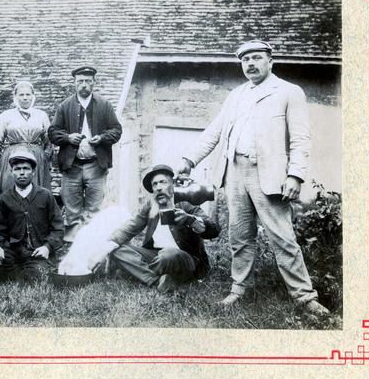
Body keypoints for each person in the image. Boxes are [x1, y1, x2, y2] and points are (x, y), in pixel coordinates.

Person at [179, 40, 329, 317]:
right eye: (245, 59)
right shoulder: (236, 95)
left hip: (269, 175)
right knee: (240, 234)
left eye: (256, 57)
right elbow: (214, 131)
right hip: (234, 171)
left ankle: (304, 297)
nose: (250, 63)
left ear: (270, 61)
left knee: (282, 237)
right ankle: (239, 288)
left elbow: (300, 138)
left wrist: (295, 175)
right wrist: (189, 161)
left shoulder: (288, 92)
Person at [87, 164, 219, 293]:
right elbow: (129, 228)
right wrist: (103, 250)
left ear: (172, 185)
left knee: (168, 255)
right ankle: (157, 281)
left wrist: (191, 219)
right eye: (155, 184)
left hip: (184, 258)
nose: (158, 188)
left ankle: (139, 272)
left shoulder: (186, 204)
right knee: (118, 250)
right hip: (155, 255)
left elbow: (214, 229)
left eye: (163, 182)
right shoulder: (151, 207)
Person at [48, 66, 122, 242]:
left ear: (94, 83)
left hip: (96, 165)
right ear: (74, 83)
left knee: (94, 210)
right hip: (71, 166)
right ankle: (71, 249)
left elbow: (117, 130)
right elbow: (52, 132)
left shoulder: (104, 105)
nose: (84, 85)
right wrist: (67, 137)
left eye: (88, 81)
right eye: (80, 81)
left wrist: (102, 138)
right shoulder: (65, 106)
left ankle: (91, 246)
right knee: (72, 210)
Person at [0, 148, 64, 281]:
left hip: (37, 251)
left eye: (26, 168)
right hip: (12, 251)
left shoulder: (45, 196)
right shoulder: (4, 198)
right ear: (11, 172)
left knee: (36, 276)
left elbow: (58, 228)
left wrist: (47, 247)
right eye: (17, 169)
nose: (22, 173)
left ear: (33, 172)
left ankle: (28, 273)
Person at [0, 80, 53, 192]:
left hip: (36, 157)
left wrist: (45, 157)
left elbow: (49, 140)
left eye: (28, 94)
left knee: (37, 190)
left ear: (33, 96)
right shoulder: (6, 115)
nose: (25, 98)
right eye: (21, 94)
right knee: (10, 187)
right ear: (15, 97)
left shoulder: (41, 115)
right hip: (12, 156)